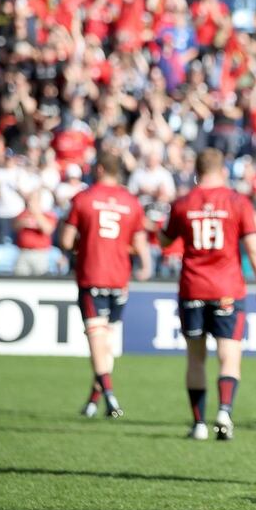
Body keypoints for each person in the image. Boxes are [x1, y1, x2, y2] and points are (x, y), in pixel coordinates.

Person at [161, 148, 256, 441]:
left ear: (196, 172)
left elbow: (165, 239)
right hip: (227, 289)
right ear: (223, 170)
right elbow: (254, 247)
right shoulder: (238, 202)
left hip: (192, 288)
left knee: (195, 358)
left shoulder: (183, 204)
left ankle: (199, 424)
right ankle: (224, 411)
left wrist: (155, 225)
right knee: (229, 355)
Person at [61, 151, 152, 418]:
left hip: (92, 276)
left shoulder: (84, 198)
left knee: (97, 340)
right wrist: (145, 265)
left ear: (99, 169)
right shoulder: (131, 202)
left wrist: (86, 243)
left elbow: (66, 241)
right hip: (119, 279)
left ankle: (110, 395)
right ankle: (93, 401)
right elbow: (139, 241)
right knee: (106, 342)